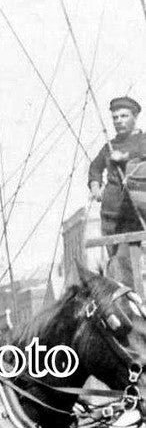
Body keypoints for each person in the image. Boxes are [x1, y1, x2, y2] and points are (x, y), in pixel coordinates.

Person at [88, 96, 146, 286]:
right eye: (115, 117)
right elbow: (95, 168)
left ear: (135, 116)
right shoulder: (108, 147)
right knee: (118, 264)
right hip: (112, 215)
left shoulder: (142, 140)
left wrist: (125, 156)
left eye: (124, 116)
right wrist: (95, 185)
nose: (119, 121)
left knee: (140, 261)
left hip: (138, 213)